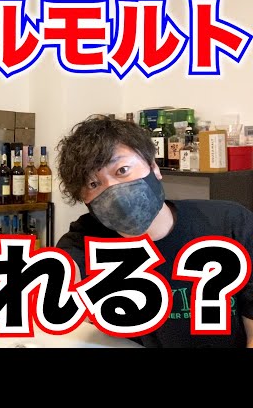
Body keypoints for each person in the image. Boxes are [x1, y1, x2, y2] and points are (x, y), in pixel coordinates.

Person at [55, 115, 253, 348]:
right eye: (93, 184)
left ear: (154, 167)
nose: (114, 191)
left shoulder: (229, 223)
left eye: (122, 170)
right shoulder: (83, 242)